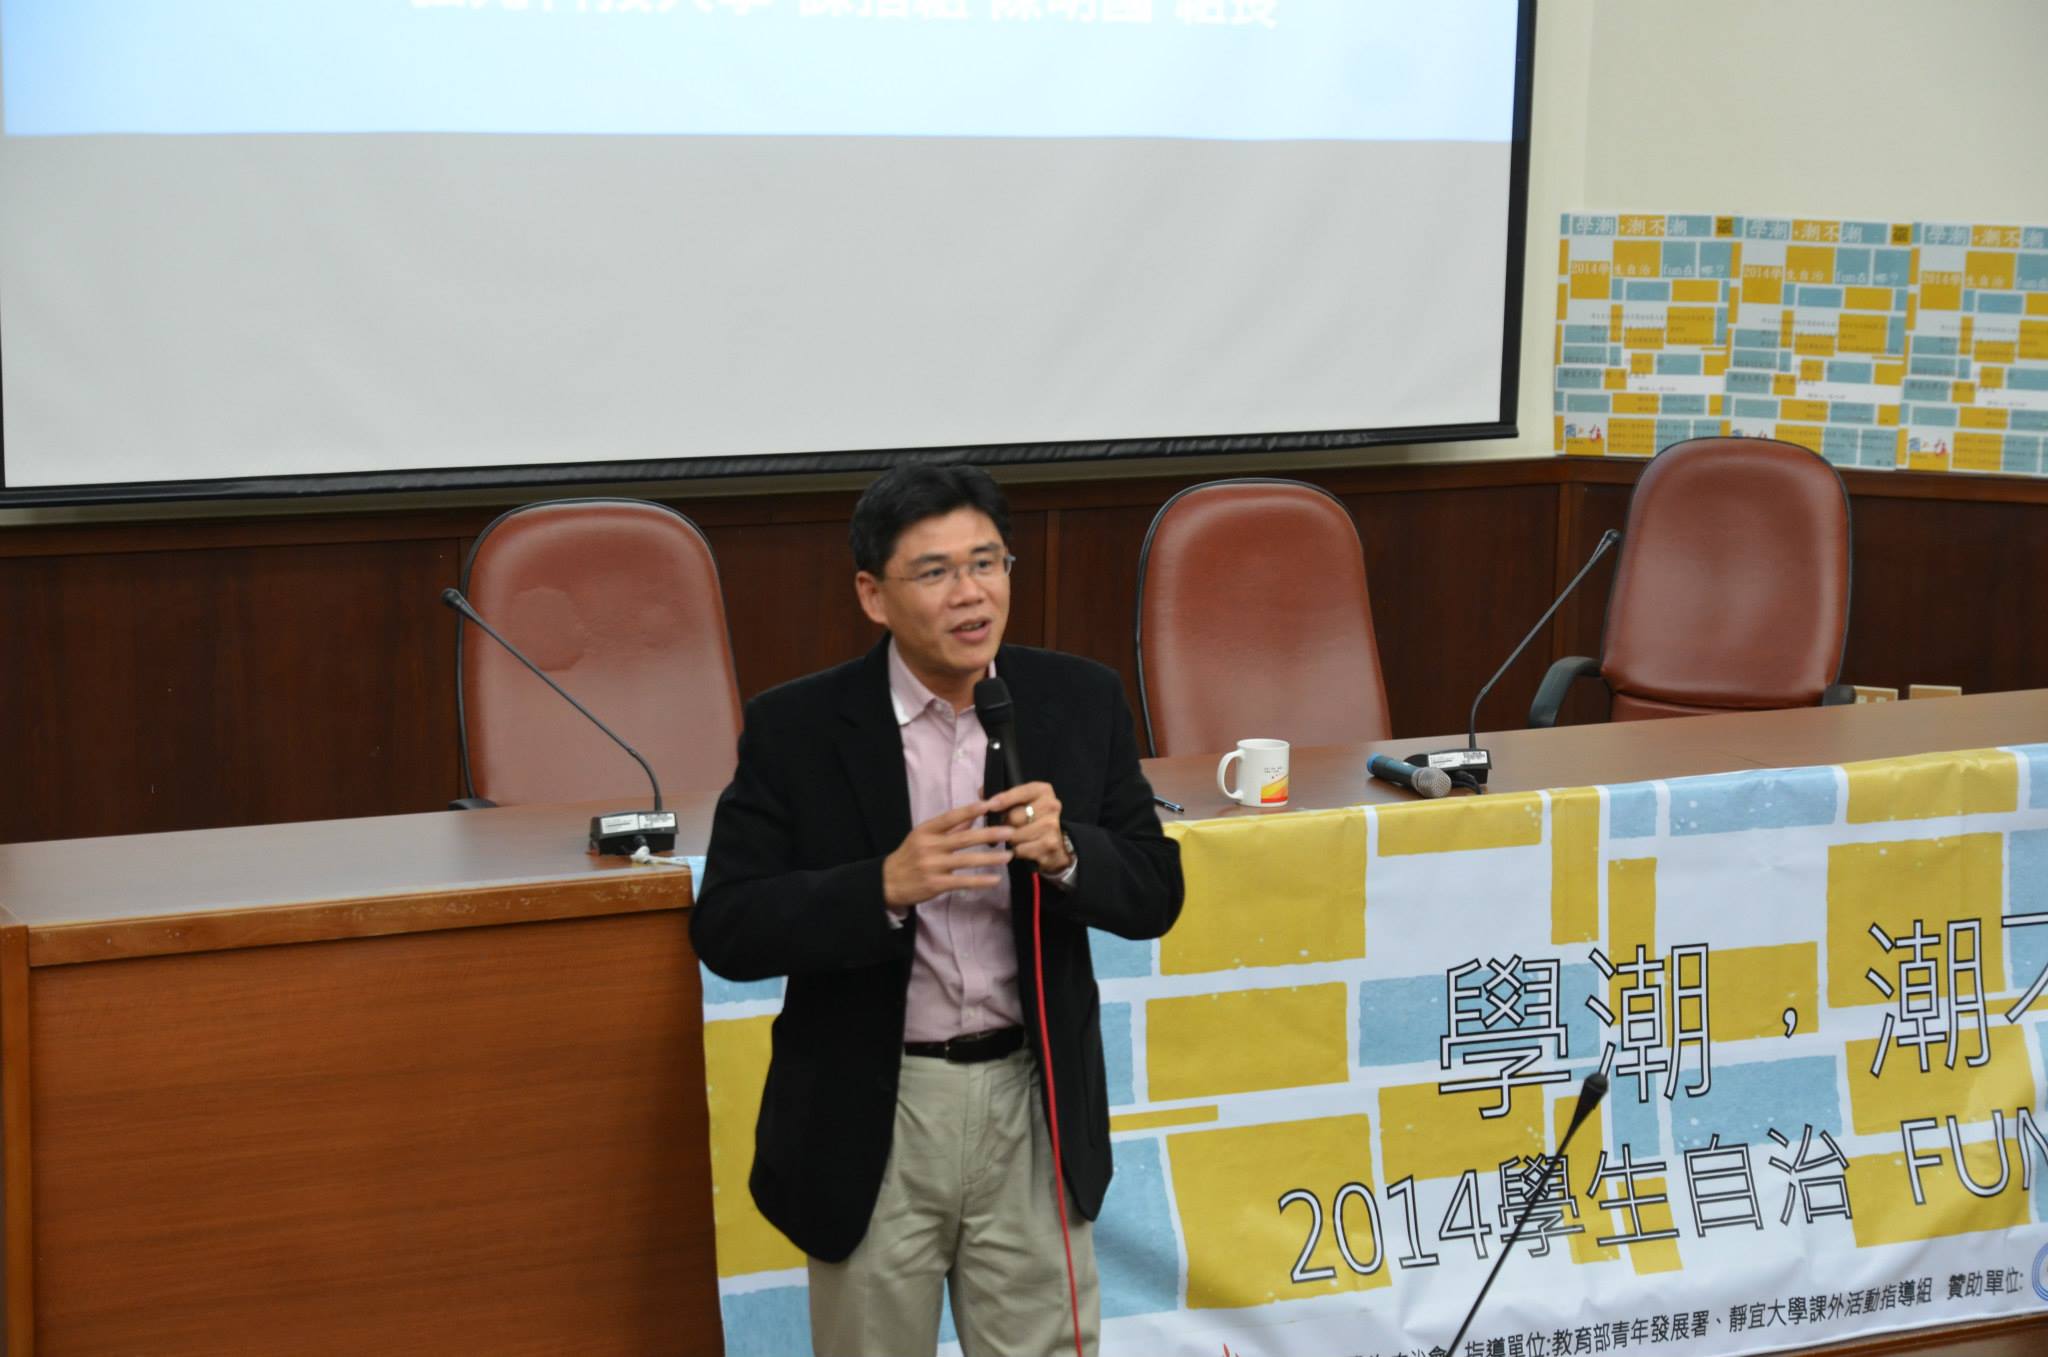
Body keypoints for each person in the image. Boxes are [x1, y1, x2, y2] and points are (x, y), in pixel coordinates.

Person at [692, 462, 1184, 1357]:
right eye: (936, 572)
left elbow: (1156, 889)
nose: (971, 593)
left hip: (1032, 1102)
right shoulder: (798, 728)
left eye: (987, 563)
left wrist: (1070, 852)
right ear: (872, 595)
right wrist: (879, 886)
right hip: (877, 1112)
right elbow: (727, 924)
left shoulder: (1077, 700)